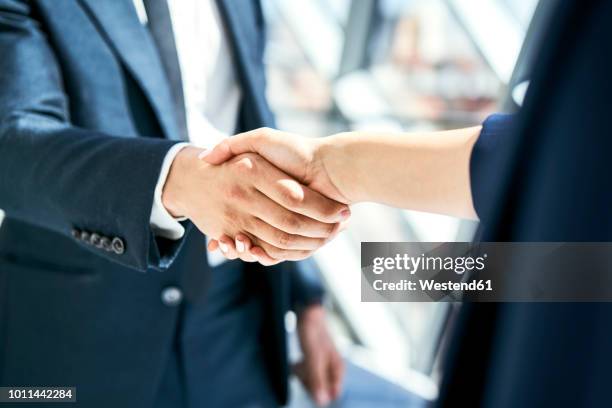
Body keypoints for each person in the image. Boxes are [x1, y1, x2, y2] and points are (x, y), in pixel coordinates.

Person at [0, 0, 345, 406]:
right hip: (82, 330)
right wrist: (178, 181)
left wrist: (307, 300)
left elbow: (254, 116)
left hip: (236, 321)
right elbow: (14, 145)